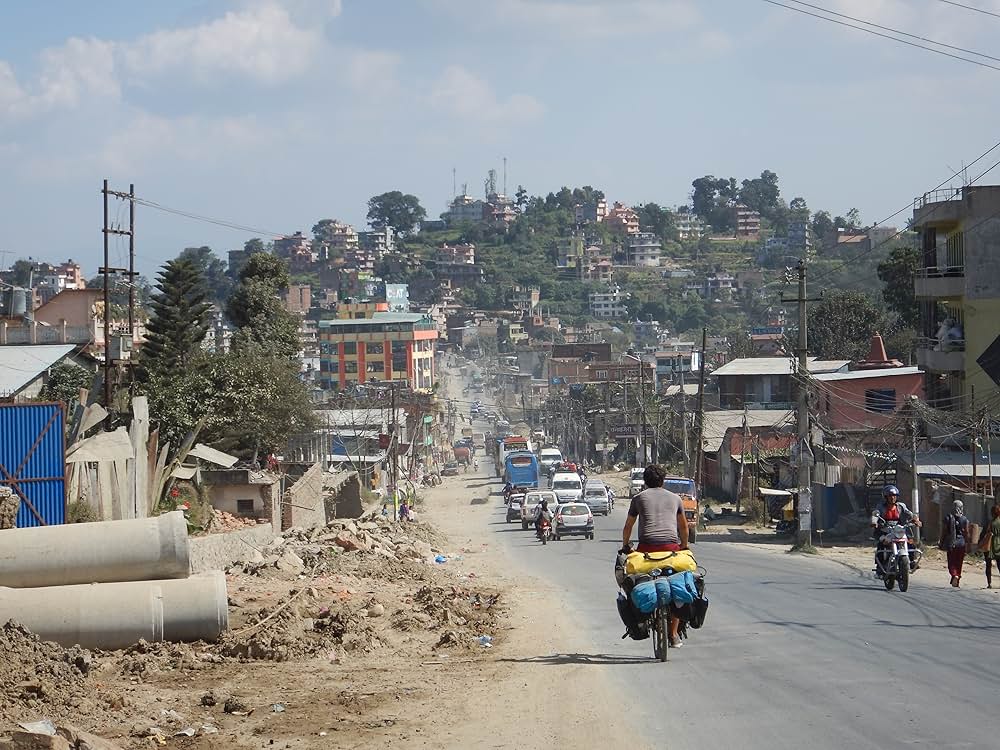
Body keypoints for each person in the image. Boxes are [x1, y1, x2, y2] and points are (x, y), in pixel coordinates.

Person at [620, 464, 689, 647]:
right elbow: (683, 527)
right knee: (678, 588)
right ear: (663, 481)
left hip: (646, 551)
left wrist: (626, 546)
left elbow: (628, 526)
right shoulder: (676, 499)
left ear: (645, 481)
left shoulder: (638, 498)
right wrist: (684, 546)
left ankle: (642, 620)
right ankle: (673, 633)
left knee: (632, 581)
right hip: (672, 549)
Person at [871, 484, 919, 577]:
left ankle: (912, 561)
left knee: (910, 542)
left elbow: (910, 514)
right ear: (886, 497)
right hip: (885, 530)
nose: (892, 498)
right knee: (881, 545)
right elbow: (875, 514)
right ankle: (879, 567)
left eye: (894, 496)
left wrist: (916, 520)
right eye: (890, 496)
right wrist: (874, 522)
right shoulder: (880, 506)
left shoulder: (901, 506)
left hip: (898, 529)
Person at [941, 499, 970, 587]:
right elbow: (966, 533)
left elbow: (944, 531)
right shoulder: (964, 519)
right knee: (959, 562)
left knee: (951, 562)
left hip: (952, 543)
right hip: (961, 543)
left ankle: (954, 575)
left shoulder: (948, 518)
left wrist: (941, 542)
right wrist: (968, 543)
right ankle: (957, 577)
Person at [983, 505, 1000, 589]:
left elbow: (986, 532)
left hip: (990, 544)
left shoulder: (990, 522)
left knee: (988, 565)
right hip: (999, 544)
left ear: (992, 513)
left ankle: (989, 583)